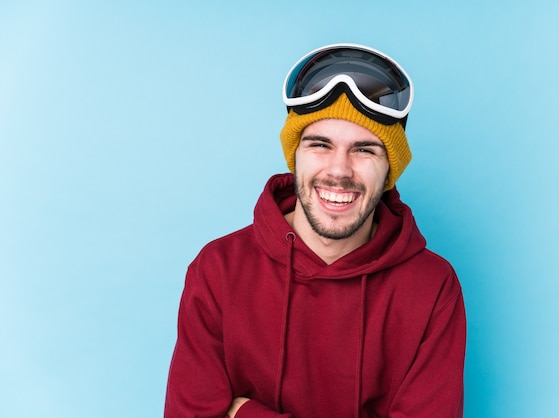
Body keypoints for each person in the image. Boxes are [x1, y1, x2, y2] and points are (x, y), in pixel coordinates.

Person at [164, 43, 466, 418]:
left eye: (364, 150)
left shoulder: (432, 287)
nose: (339, 170)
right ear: (295, 156)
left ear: (390, 170)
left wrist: (243, 413)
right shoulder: (218, 270)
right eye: (320, 145)